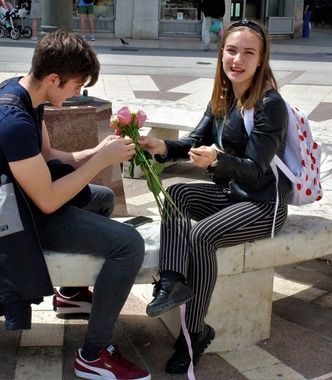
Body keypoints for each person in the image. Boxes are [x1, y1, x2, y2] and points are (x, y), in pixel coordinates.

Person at [0, 31, 150, 380]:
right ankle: (93, 355)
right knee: (128, 244)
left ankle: (72, 295)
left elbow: (50, 158)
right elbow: (46, 201)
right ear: (54, 79)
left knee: (101, 198)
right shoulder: (13, 122)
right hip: (15, 222)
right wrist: (100, 162)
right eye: (77, 85)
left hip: (22, 202)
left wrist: (100, 150)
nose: (79, 93)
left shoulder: (28, 95)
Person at [138, 19, 290, 374]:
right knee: (176, 194)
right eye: (231, 50)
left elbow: (255, 168)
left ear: (261, 58)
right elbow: (193, 141)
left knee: (201, 235)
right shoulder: (222, 96)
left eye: (248, 53)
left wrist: (219, 159)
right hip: (231, 192)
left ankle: (195, 332)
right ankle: (172, 282)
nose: (237, 59)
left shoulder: (270, 105)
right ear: (221, 52)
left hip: (263, 205)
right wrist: (162, 147)